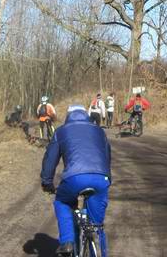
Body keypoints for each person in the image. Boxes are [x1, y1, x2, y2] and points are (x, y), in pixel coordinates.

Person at [41, 105, 112, 257]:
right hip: (101, 178)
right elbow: (107, 156)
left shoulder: (61, 131)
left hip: (74, 178)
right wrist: (107, 178)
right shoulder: (99, 131)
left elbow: (50, 160)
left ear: (68, 116)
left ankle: (67, 242)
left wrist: (47, 182)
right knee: (96, 226)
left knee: (62, 202)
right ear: (86, 115)